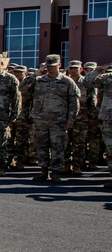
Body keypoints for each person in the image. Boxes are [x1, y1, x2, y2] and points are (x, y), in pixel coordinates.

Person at [30, 54, 80, 182]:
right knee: (41, 146)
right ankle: (43, 171)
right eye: (48, 66)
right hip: (41, 120)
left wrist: (70, 120)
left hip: (59, 121)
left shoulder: (67, 81)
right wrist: (34, 75)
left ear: (59, 65)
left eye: (53, 66)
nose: (50, 69)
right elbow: (22, 88)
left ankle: (56, 172)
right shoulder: (39, 80)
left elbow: (74, 103)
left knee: (58, 146)